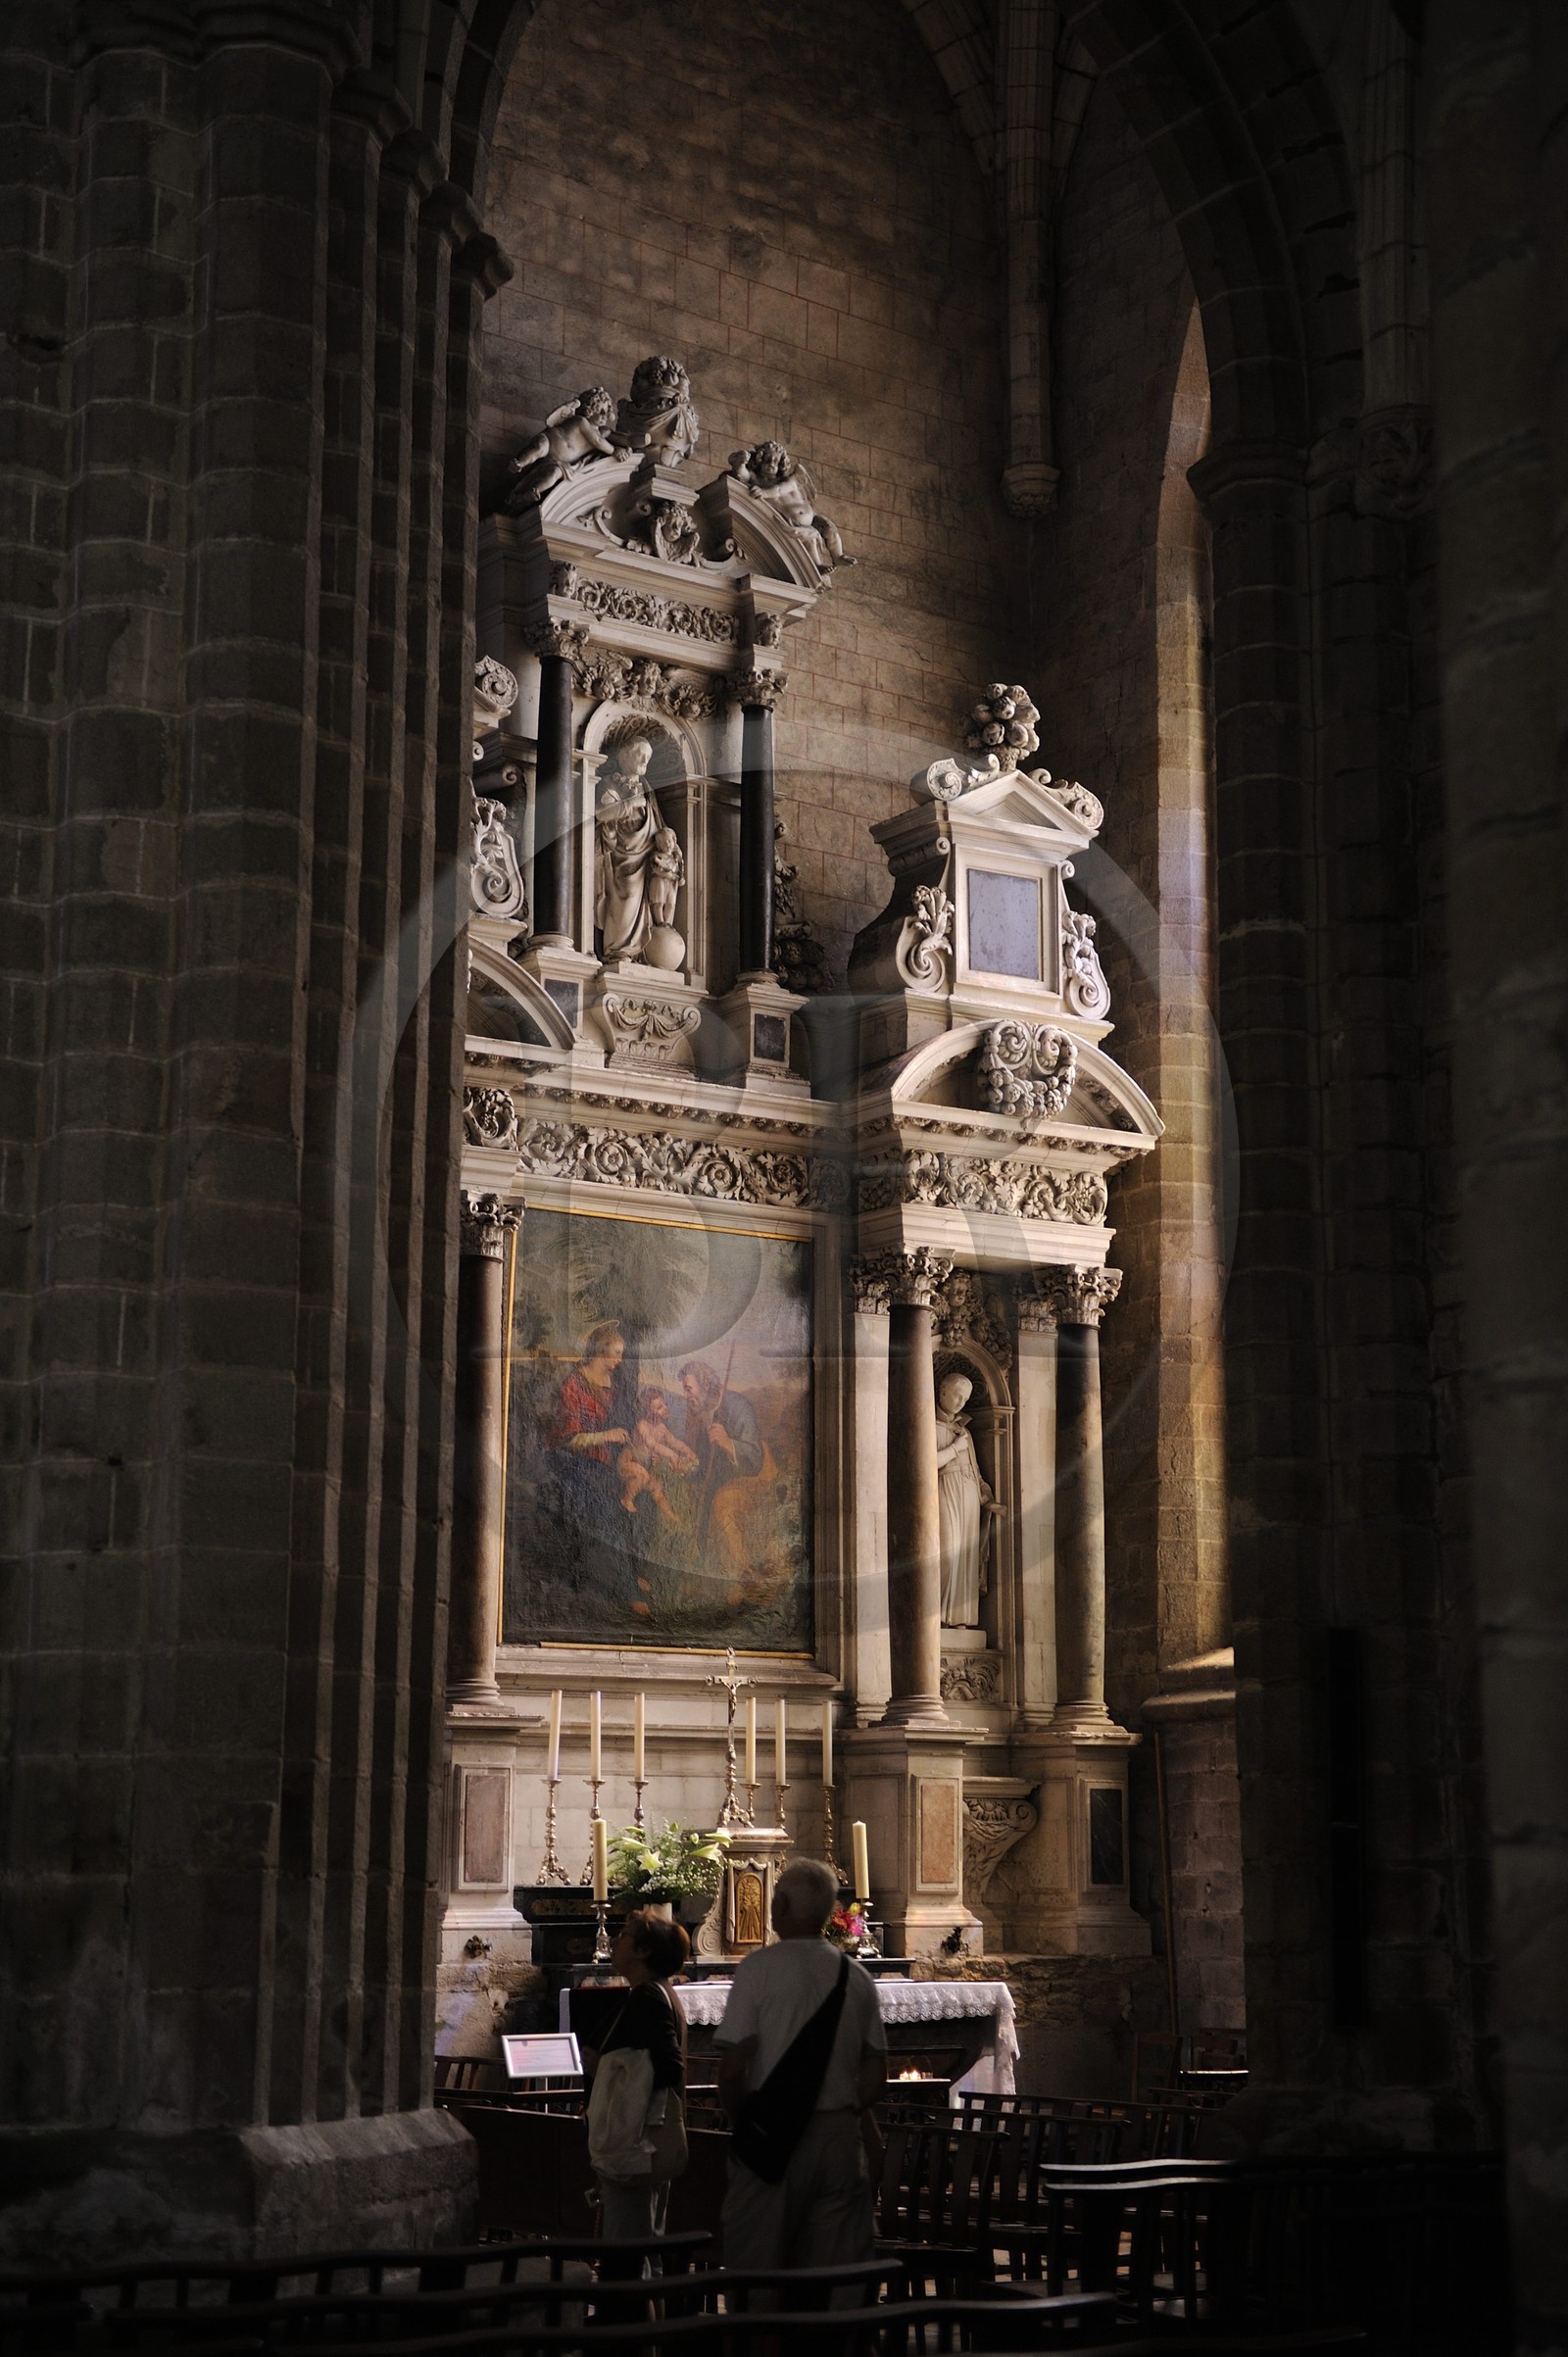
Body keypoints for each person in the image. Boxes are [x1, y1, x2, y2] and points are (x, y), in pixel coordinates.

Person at [714, 1857, 887, 2271]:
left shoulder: (758, 1969)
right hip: (839, 2139)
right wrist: (838, 2110)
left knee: (760, 2268)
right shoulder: (857, 1976)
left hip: (773, 2134)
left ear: (780, 1907)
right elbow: (875, 2078)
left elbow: (732, 2068)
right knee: (838, 2272)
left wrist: (748, 2121)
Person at [584, 1907, 690, 2251]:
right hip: (643, 2142)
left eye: (625, 1936)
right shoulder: (652, 1992)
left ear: (644, 1951)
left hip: (637, 2142)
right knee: (645, 2259)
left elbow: (669, 2066)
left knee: (628, 2262)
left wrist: (611, 2070)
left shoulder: (648, 1997)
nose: (616, 1941)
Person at [934, 1371, 1001, 1627]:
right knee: (947, 1553)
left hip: (969, 1495)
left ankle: (961, 1619)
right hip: (945, 1488)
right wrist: (955, 1448)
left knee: (967, 1557)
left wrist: (986, 1497)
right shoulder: (928, 1424)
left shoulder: (965, 1432)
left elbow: (975, 1470)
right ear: (942, 1391)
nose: (961, 1402)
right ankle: (936, 1617)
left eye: (966, 1398)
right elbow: (925, 1464)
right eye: (957, 1395)